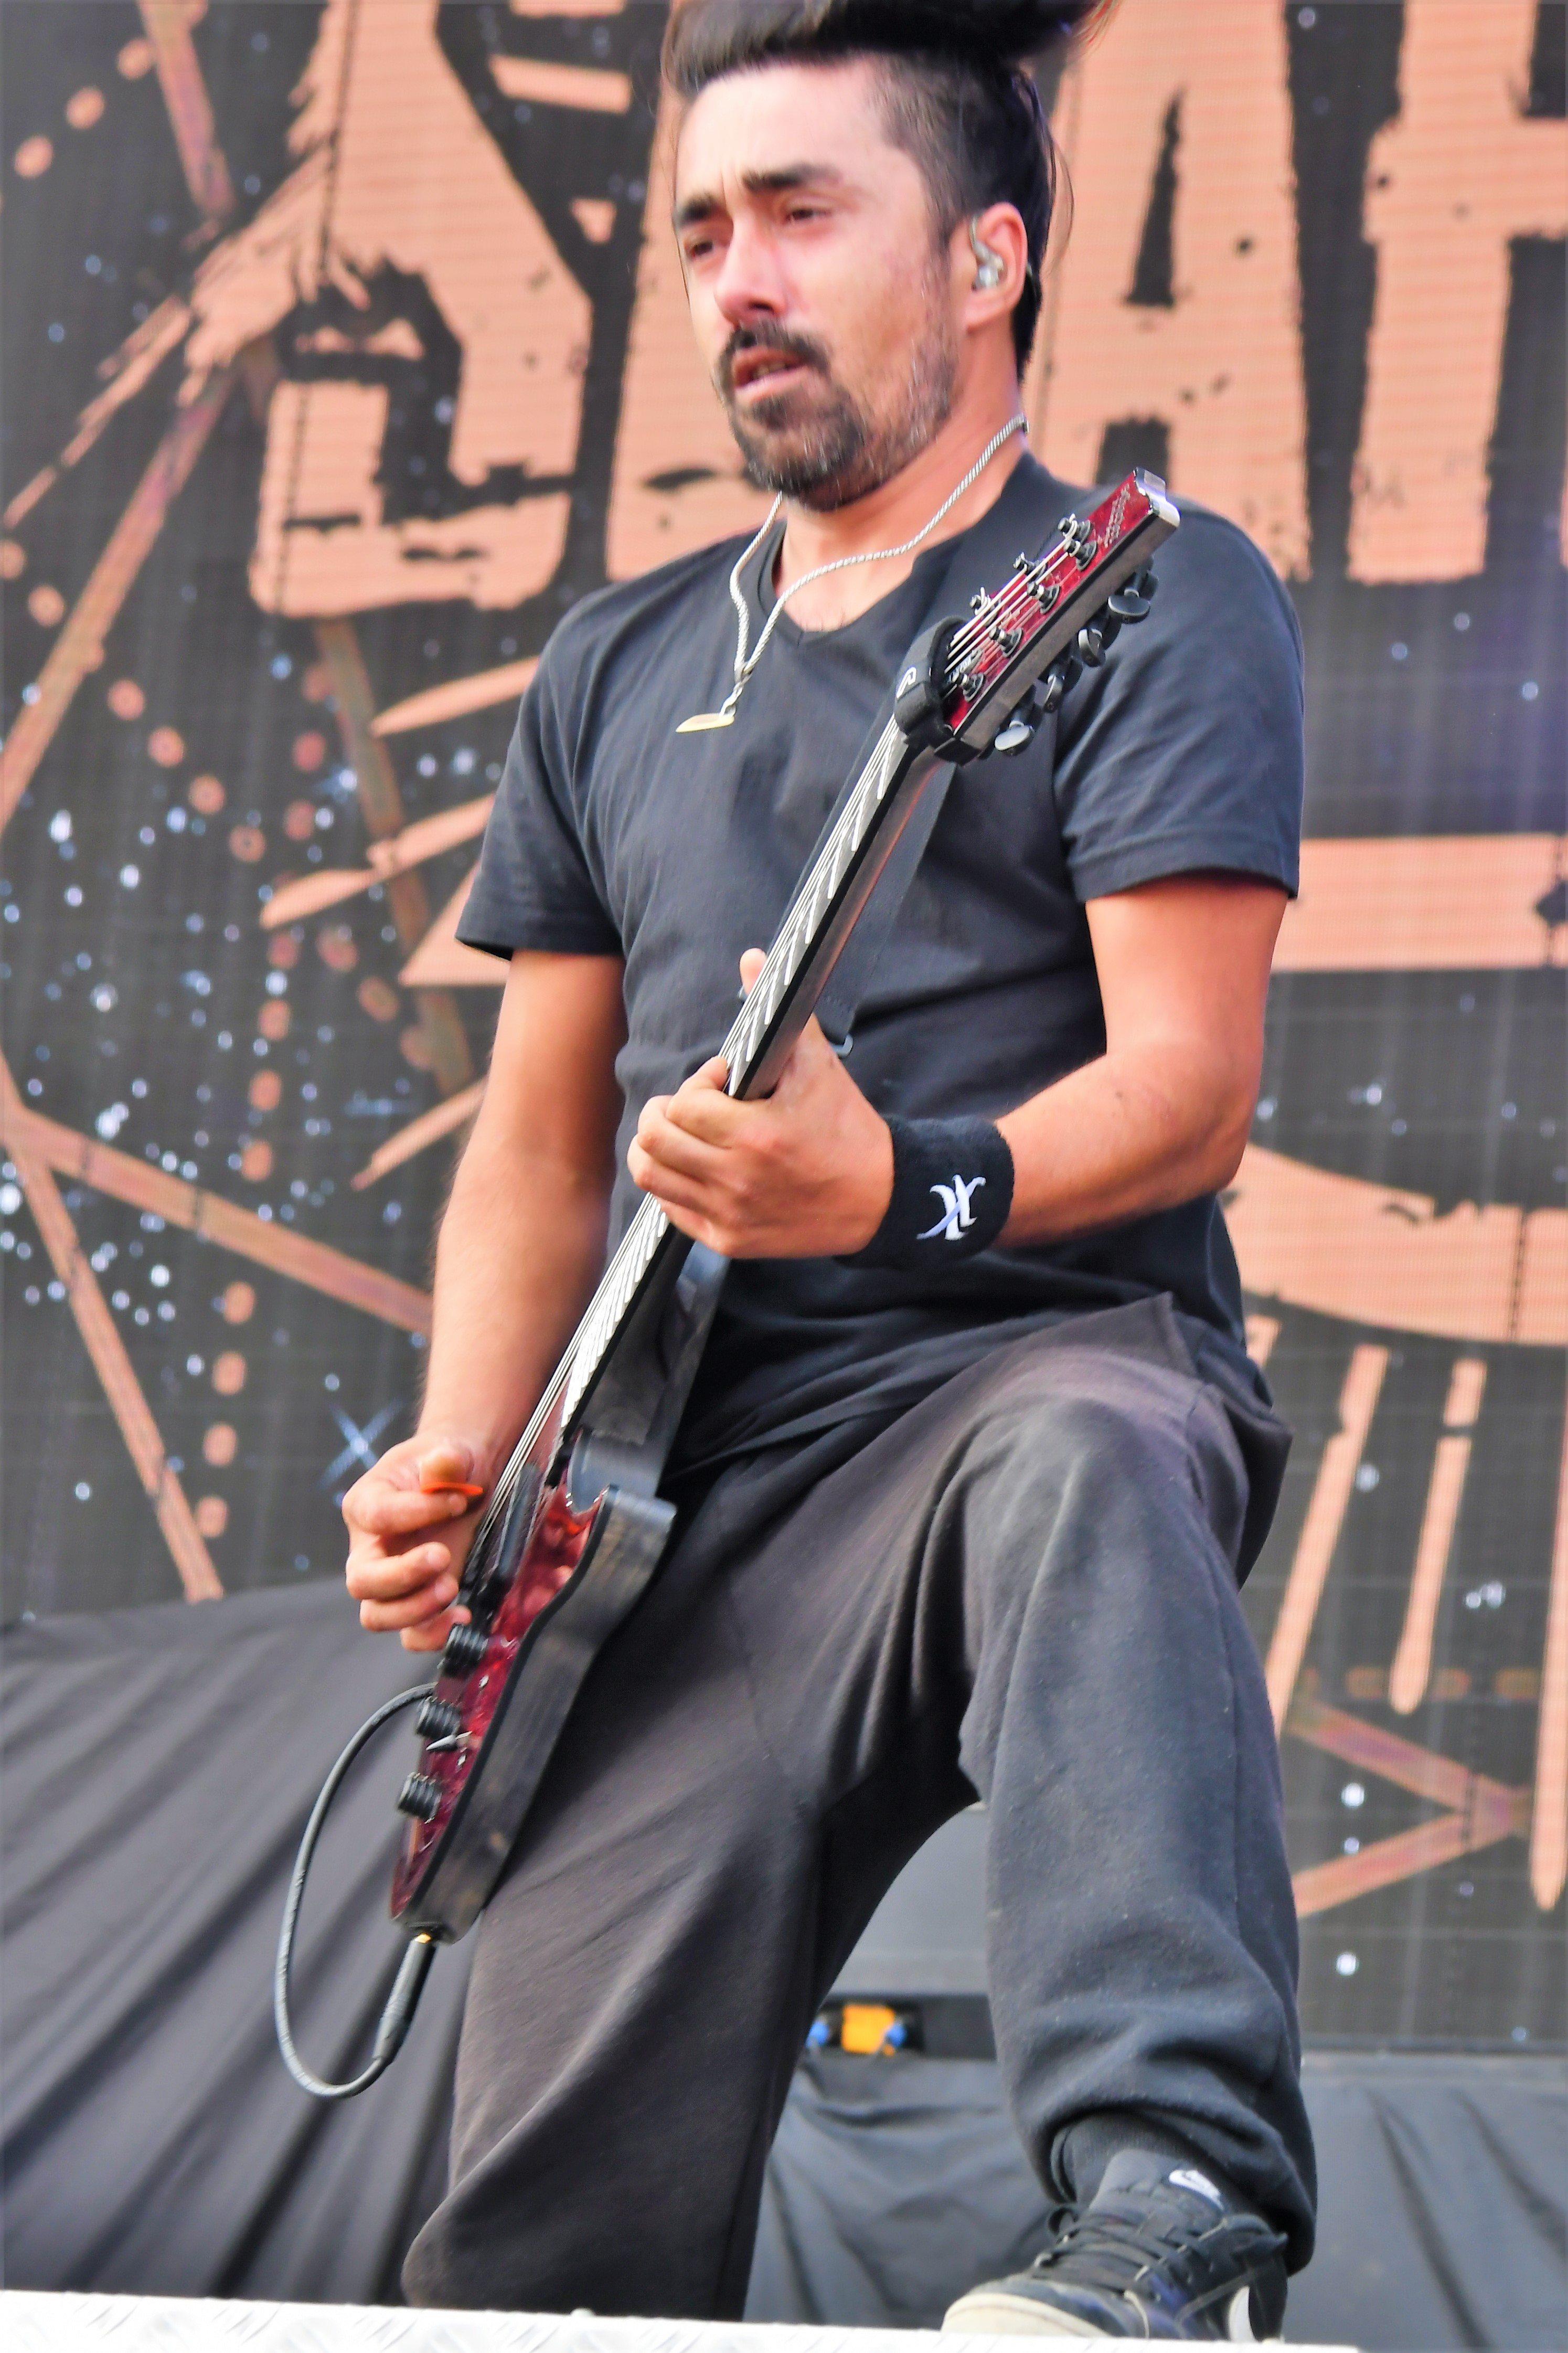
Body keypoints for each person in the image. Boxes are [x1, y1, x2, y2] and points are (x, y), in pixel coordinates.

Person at [344, 2, 1316, 2335]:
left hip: (1025, 1370)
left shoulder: (1150, 588)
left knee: (1091, 1451)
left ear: (987, 258)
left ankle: (1170, 2202)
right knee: (528, 2261)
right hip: (679, 1499)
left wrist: (896, 1188)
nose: (737, 281)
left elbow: (1189, 1090)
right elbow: (535, 1145)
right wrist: (473, 1463)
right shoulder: (614, 662)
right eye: (702, 233)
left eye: (799, 213)